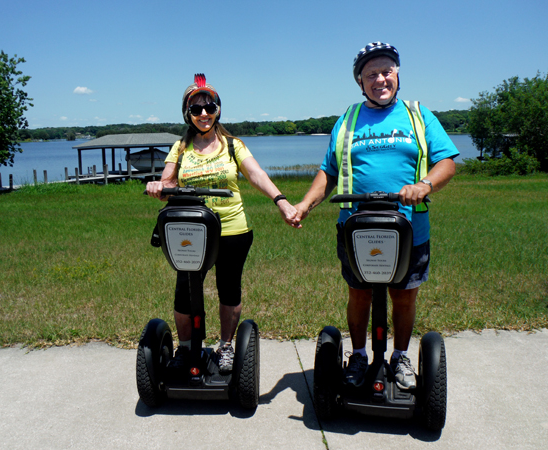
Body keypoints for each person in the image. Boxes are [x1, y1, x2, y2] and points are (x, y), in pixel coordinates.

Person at [295, 42, 459, 390]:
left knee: (404, 295)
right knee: (360, 294)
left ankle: (400, 357)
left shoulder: (418, 114)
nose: (380, 79)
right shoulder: (348, 119)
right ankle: (358, 355)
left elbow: (446, 163)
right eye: (371, 74)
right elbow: (328, 171)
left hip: (408, 228)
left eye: (387, 72)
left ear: (397, 75)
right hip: (357, 228)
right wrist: (304, 205)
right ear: (360, 82)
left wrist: (425, 184)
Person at [145, 74, 299, 373]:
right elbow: (167, 185)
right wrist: (157, 187)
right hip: (190, 230)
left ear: (218, 109)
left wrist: (281, 201)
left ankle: (226, 346)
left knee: (229, 289)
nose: (204, 114)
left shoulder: (233, 145)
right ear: (187, 114)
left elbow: (256, 175)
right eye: (196, 109)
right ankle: (187, 347)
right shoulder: (180, 148)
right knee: (184, 293)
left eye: (209, 107)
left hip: (231, 229)